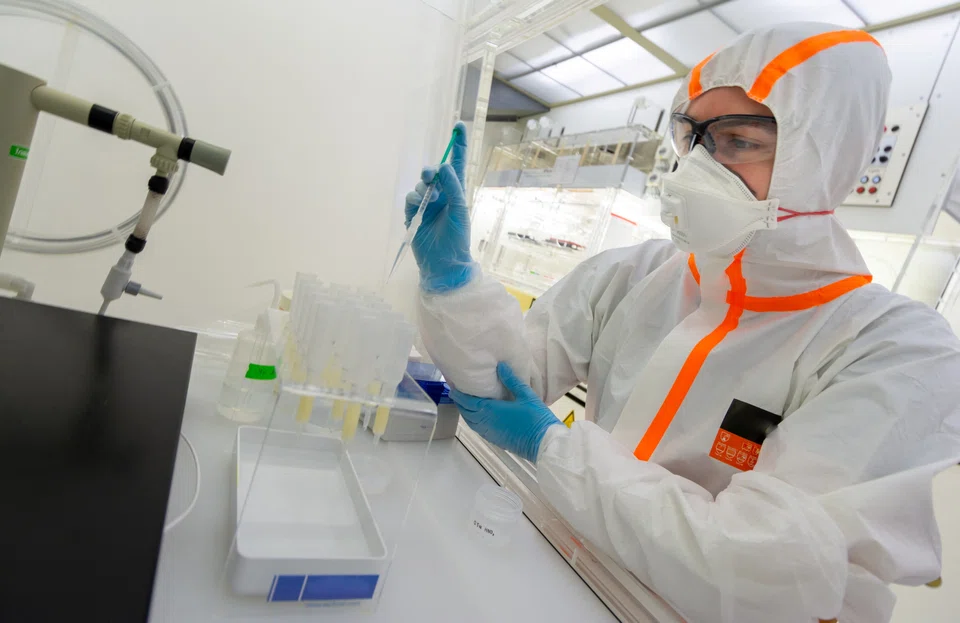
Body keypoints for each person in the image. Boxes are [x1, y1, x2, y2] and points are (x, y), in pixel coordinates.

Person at [404, 22, 960, 623]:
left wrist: (555, 448)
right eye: (691, 137)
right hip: (569, 578)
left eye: (739, 140)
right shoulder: (637, 275)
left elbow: (762, 569)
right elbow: (505, 385)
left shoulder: (894, 349)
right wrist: (454, 284)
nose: (695, 169)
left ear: (823, 155)